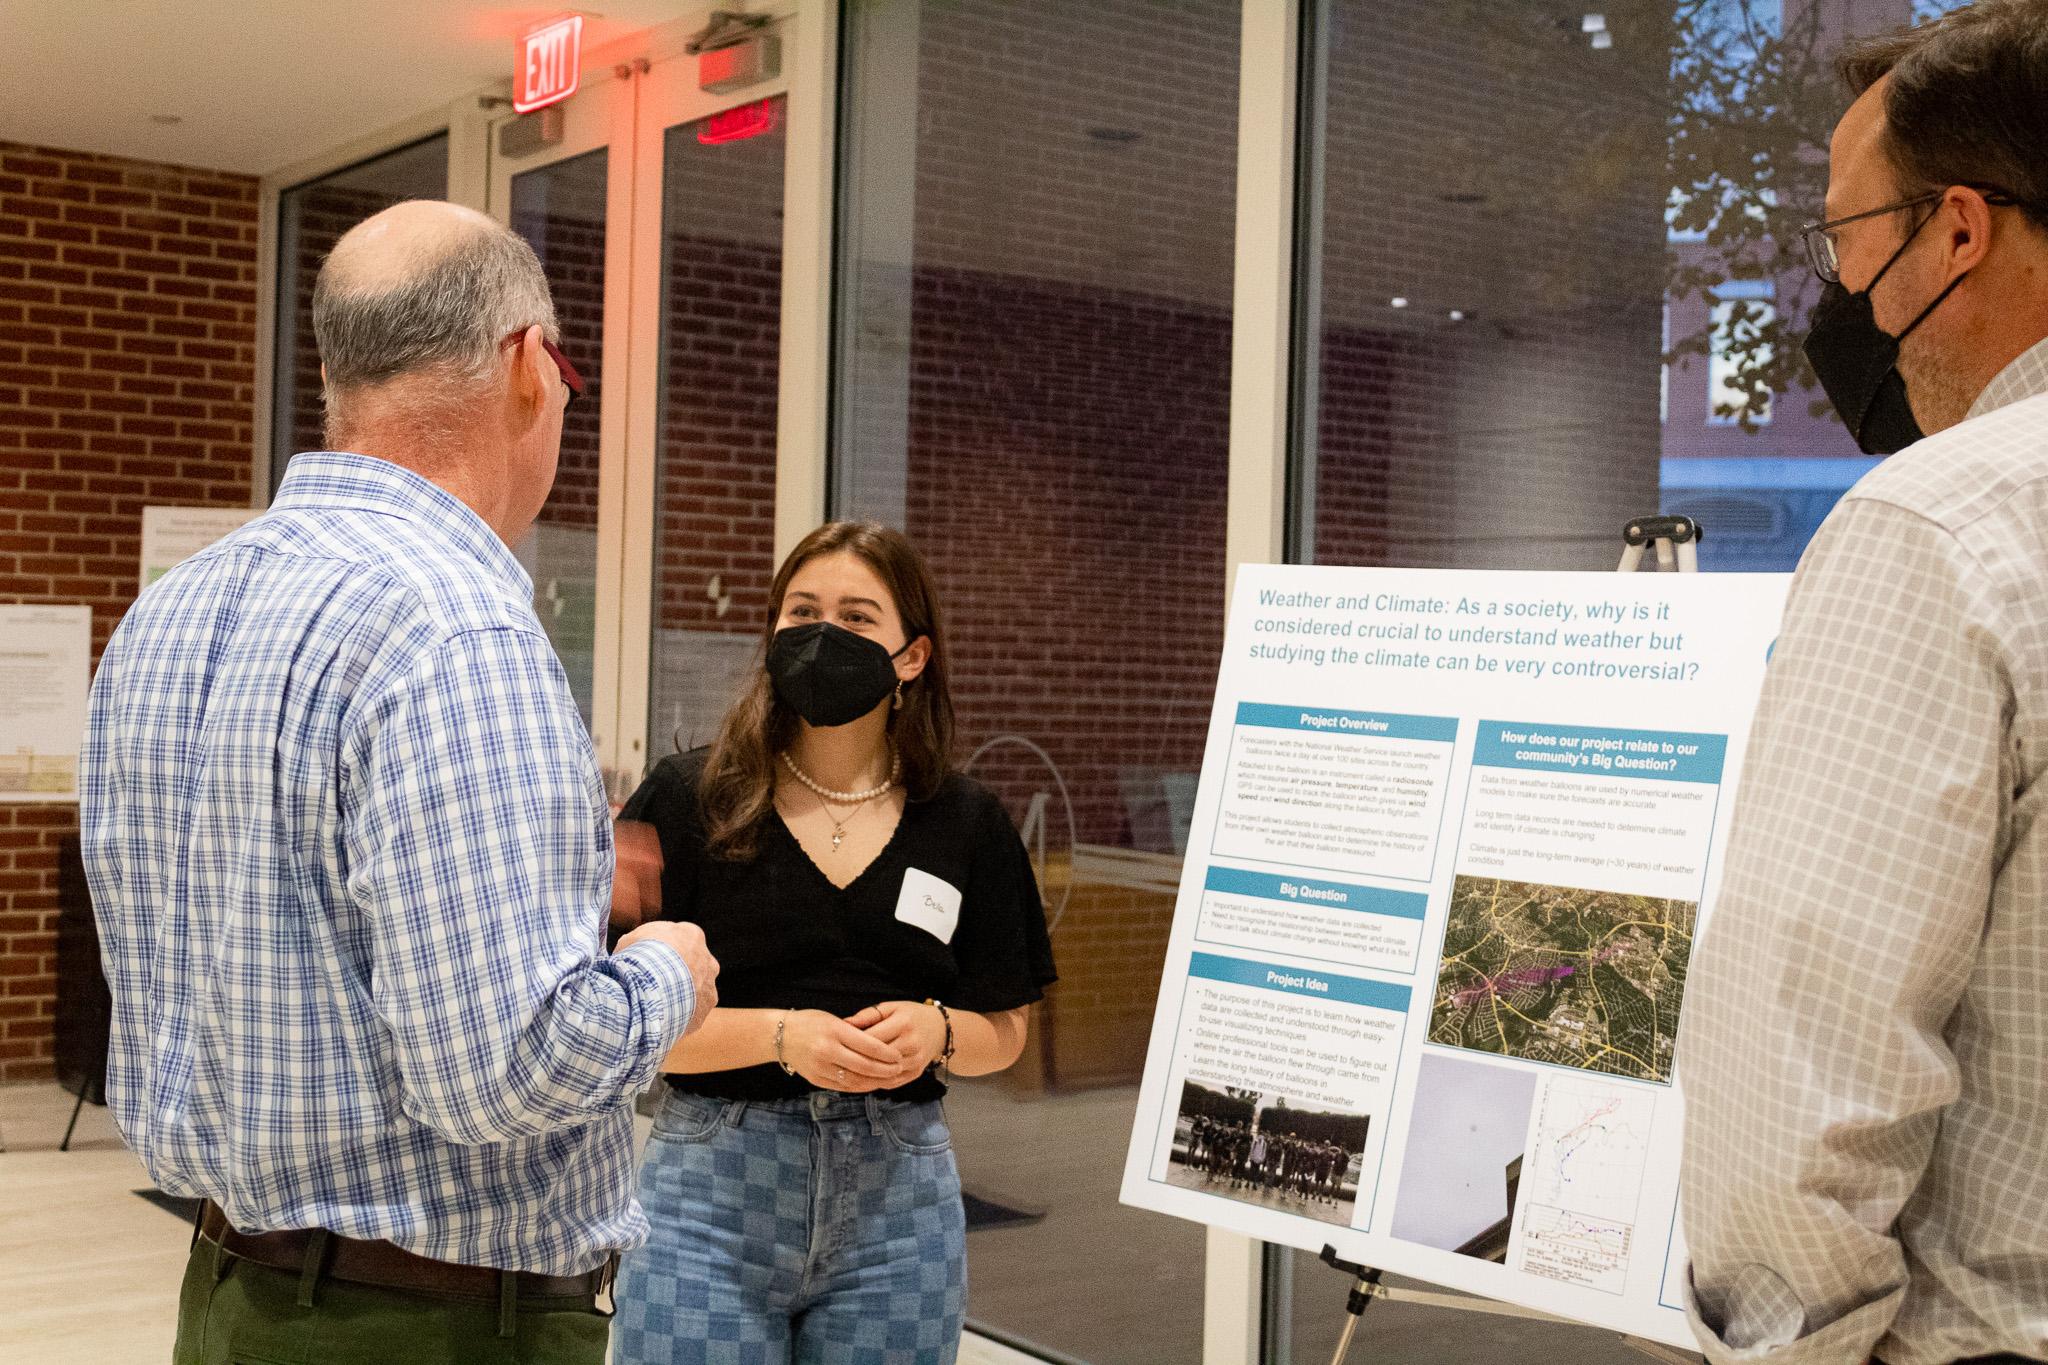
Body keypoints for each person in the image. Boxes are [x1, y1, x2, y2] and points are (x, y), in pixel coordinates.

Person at [79, 201, 719, 1365]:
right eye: (567, 369)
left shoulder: (167, 613)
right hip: (435, 1324)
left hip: (225, 1293)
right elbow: (499, 1075)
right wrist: (662, 977)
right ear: (529, 365)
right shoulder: (459, 632)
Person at [1678, 4, 2048, 1363]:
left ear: (1959, 229)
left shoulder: (1942, 522)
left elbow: (1811, 1051)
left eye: (1846, 239)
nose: (1847, 301)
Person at [608, 521, 1058, 1365]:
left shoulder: (967, 822)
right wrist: (783, 1035)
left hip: (898, 1208)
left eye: (857, 618)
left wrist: (941, 1033)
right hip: (709, 1194)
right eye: (803, 611)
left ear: (913, 656)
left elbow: (1008, 1029)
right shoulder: (686, 797)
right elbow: (620, 1022)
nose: (823, 635)